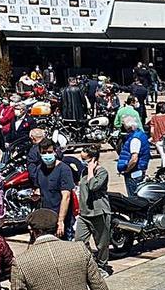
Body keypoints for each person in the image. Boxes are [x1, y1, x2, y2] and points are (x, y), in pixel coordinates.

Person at [75, 146, 112, 274]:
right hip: (84, 213)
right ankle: (89, 263)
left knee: (101, 244)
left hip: (99, 212)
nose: (83, 161)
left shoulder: (102, 172)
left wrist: (91, 170)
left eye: (85, 159)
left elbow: (93, 186)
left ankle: (102, 266)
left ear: (93, 159)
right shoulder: (83, 172)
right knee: (79, 242)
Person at [35, 139, 76, 239]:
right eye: (44, 153)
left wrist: (60, 221)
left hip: (62, 220)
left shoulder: (63, 169)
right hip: (47, 220)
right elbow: (40, 190)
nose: (47, 155)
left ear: (55, 152)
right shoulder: (40, 169)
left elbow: (66, 197)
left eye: (49, 152)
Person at [115, 115, 149, 197]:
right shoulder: (140, 134)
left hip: (134, 174)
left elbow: (134, 159)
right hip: (138, 171)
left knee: (134, 198)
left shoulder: (135, 139)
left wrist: (127, 169)